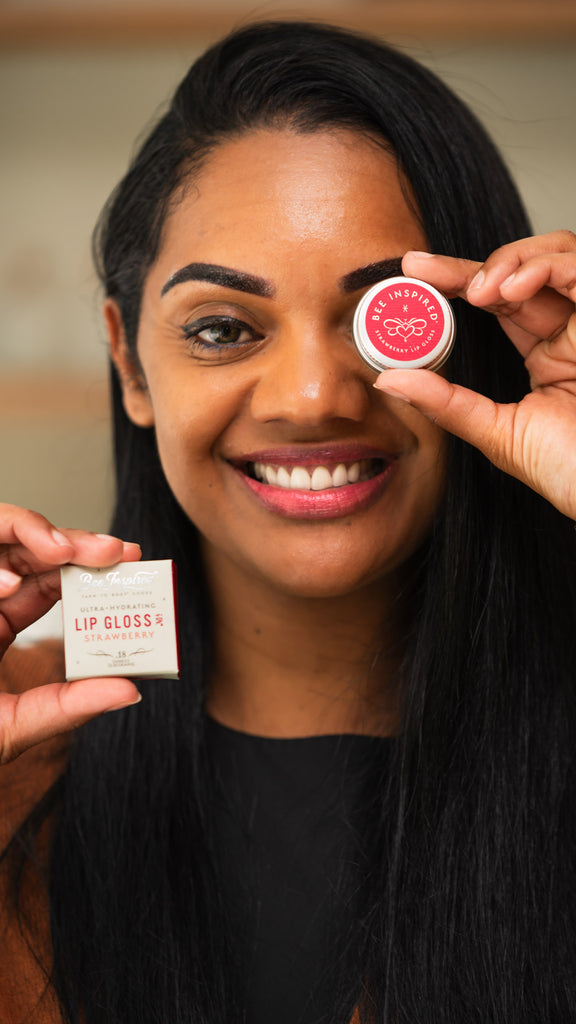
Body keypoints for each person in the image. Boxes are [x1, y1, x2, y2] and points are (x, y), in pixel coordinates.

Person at [1, 19, 576, 1024]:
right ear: (129, 361)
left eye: (376, 317)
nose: (313, 395)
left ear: (483, 341)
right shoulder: (20, 754)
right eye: (222, 329)